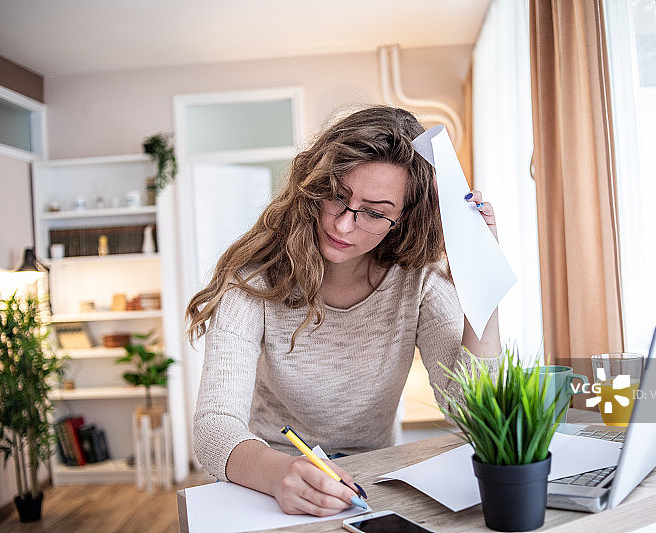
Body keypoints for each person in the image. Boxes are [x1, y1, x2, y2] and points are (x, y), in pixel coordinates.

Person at [186, 105, 501, 517]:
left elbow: (473, 416)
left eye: (374, 212)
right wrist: (278, 472)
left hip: (371, 480)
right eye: (336, 196)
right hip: (268, 477)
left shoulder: (419, 278)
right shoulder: (255, 280)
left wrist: (483, 284)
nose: (342, 225)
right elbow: (213, 428)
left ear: (404, 218)